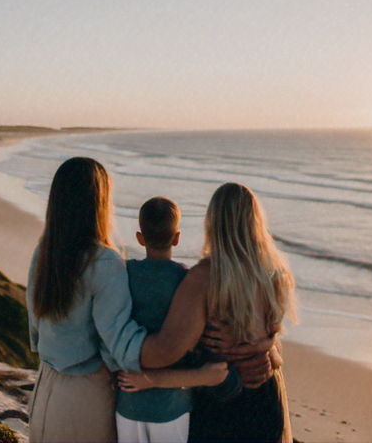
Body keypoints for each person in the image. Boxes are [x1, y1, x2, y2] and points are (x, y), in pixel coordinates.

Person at [27, 159, 275, 443]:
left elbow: (35, 330)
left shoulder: (43, 253)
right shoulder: (105, 261)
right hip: (87, 393)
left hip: (44, 389)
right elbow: (121, 344)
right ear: (99, 201)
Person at [121, 183, 297, 442]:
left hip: (224, 402)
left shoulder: (204, 278)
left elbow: (165, 350)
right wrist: (262, 344)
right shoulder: (276, 272)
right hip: (266, 398)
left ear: (212, 223)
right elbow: (274, 341)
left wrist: (118, 346)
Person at [116, 196, 229, 443]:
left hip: (128, 398)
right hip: (171, 402)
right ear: (177, 238)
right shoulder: (186, 279)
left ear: (139, 238)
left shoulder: (125, 272)